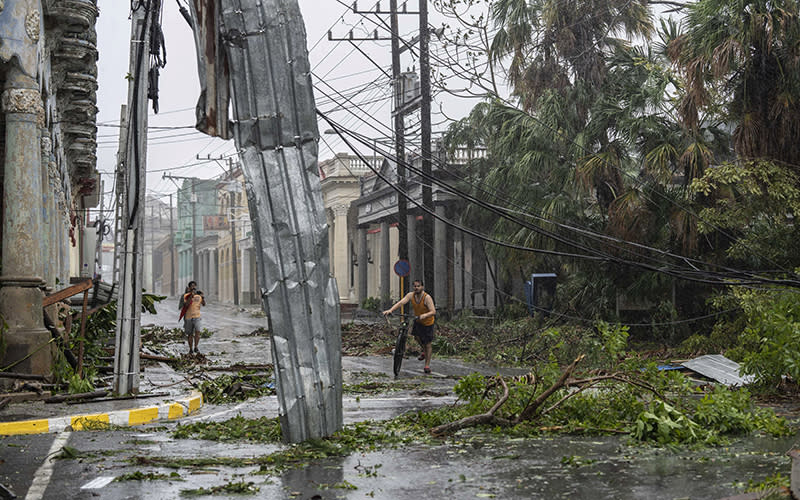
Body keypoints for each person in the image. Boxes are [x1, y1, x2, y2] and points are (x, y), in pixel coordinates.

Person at [383, 279, 436, 374]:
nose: (416, 288)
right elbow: (401, 303)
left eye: (418, 286)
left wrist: (425, 315)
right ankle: (424, 351)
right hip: (418, 320)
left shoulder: (427, 298)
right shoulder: (411, 295)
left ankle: (427, 365)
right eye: (415, 286)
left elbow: (433, 311)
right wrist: (390, 310)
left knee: (428, 344)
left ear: (422, 287)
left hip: (428, 323)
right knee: (417, 337)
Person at [182, 285, 206, 354]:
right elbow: (186, 305)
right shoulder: (186, 296)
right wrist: (191, 296)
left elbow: (204, 304)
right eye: (192, 289)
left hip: (197, 316)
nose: (193, 290)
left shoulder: (198, 297)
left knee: (198, 332)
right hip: (188, 317)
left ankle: (196, 347)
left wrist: (203, 297)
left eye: (194, 289)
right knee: (190, 334)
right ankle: (190, 349)